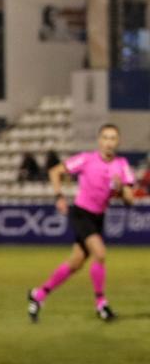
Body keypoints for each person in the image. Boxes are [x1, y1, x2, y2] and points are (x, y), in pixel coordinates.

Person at [27, 124, 135, 322]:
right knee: (100, 254)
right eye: (105, 137)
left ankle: (39, 294)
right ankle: (101, 304)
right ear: (99, 140)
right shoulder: (86, 159)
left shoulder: (122, 164)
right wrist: (59, 196)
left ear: (118, 142)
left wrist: (121, 190)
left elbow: (130, 200)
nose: (109, 142)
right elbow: (54, 172)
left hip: (98, 217)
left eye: (113, 138)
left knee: (75, 263)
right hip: (81, 213)